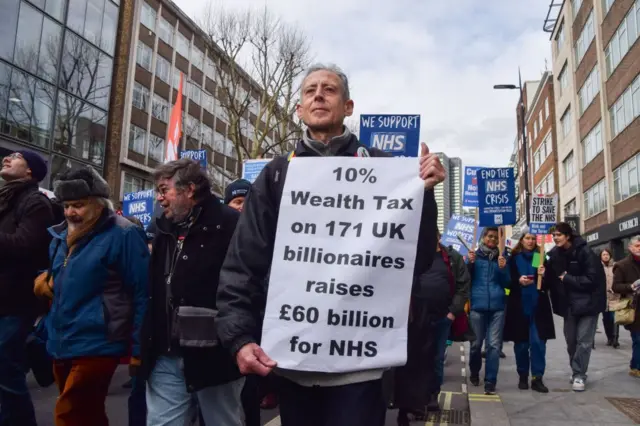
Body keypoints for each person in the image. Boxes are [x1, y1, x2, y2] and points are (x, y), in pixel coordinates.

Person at [216, 63, 445, 426]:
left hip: (360, 370)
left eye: (329, 89)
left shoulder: (385, 172)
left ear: (348, 107)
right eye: (310, 91)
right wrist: (239, 337)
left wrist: (425, 196)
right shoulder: (277, 175)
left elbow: (414, 262)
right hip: (292, 363)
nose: (319, 95)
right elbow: (243, 264)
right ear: (300, 110)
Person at [33, 167, 149, 426]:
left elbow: (143, 293)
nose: (70, 212)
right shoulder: (60, 235)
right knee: (90, 413)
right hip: (62, 339)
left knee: (69, 412)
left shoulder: (124, 234)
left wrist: (139, 349)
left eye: (78, 205)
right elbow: (58, 273)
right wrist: (45, 281)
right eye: (66, 205)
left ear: (98, 204)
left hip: (100, 341)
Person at [139, 159, 244, 426]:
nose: (159, 198)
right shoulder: (164, 227)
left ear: (190, 189)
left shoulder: (231, 225)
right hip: (165, 351)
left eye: (164, 190)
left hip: (215, 353)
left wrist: (238, 338)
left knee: (222, 421)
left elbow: (249, 285)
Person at [0, 150, 55, 426]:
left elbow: (24, 245)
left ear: (30, 171)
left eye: (15, 156)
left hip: (14, 301)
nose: (6, 158)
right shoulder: (6, 199)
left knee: (7, 374)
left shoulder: (35, 203)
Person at [394, 235, 470, 425]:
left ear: (437, 235)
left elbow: (463, 285)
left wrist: (452, 313)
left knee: (436, 357)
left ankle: (432, 395)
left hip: (442, 317)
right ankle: (414, 401)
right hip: (414, 318)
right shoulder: (413, 255)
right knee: (413, 359)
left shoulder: (451, 257)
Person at [542, 222, 606, 392]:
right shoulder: (552, 255)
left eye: (558, 235)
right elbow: (542, 265)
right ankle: (576, 369)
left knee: (583, 342)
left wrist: (568, 278)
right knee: (571, 342)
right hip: (569, 306)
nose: (555, 238)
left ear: (568, 236)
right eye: (553, 235)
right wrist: (538, 269)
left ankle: (579, 374)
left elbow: (593, 279)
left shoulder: (585, 252)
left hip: (589, 305)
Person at [503, 229, 555, 393]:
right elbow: (507, 281)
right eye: (527, 238)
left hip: (538, 308)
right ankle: (523, 376)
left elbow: (548, 283)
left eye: (533, 238)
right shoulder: (513, 259)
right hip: (519, 308)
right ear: (522, 240)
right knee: (521, 345)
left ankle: (537, 378)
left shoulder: (539, 257)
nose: (530, 241)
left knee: (539, 344)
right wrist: (518, 280)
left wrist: (544, 275)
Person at [467, 227, 510, 395]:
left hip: (497, 307)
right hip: (477, 306)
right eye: (489, 236)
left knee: (493, 346)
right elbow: (465, 278)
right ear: (483, 238)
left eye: (495, 237)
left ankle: (491, 381)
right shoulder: (474, 257)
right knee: (475, 345)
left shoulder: (503, 258)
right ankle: (474, 371)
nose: (492, 239)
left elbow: (507, 283)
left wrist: (503, 268)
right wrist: (468, 263)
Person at [612, 236, 640, 377]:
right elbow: (615, 286)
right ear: (630, 247)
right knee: (638, 339)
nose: (639, 248)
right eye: (637, 245)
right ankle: (636, 367)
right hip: (634, 308)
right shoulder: (622, 265)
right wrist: (631, 286)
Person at [600, 248, 619, 348]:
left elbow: (620, 279)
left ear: (610, 255)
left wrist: (615, 288)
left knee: (615, 318)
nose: (606, 256)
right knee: (606, 319)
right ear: (601, 256)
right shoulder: (598, 267)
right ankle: (609, 338)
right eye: (603, 255)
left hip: (614, 296)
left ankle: (615, 338)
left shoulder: (616, 266)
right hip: (603, 298)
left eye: (607, 254)